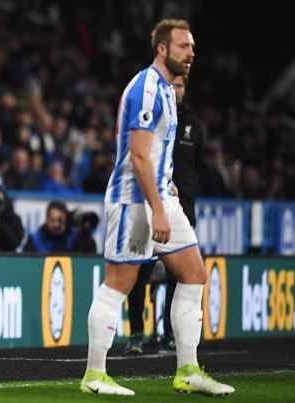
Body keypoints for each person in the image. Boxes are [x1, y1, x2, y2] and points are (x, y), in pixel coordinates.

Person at [80, 20, 234, 396]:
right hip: (135, 201)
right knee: (120, 282)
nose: (192, 53)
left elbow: (155, 152)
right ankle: (94, 374)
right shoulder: (147, 88)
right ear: (162, 49)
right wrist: (157, 209)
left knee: (195, 273)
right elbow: (137, 155)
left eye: (193, 46)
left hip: (161, 196)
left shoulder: (167, 90)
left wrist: (169, 190)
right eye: (184, 46)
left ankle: (188, 370)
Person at [123, 74, 204, 355]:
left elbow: (196, 168)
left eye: (181, 86)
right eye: (173, 86)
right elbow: (140, 154)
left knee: (186, 274)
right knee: (130, 275)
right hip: (146, 204)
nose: (176, 90)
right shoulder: (152, 107)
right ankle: (135, 333)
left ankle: (175, 338)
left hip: (179, 207)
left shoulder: (192, 123)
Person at [23, 200, 98, 253]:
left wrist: (86, 236)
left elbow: (90, 257)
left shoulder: (75, 237)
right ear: (46, 219)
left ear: (66, 220)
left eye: (60, 220)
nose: (56, 225)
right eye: (52, 220)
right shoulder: (35, 239)